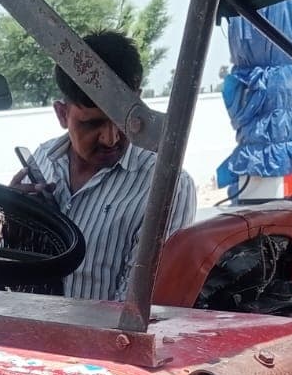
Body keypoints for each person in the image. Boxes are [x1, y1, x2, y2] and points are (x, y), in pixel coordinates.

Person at [12, 30, 197, 300]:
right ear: (62, 114)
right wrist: (13, 222)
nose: (110, 138)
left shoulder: (167, 187)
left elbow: (141, 306)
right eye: (91, 123)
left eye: (123, 120)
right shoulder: (42, 159)